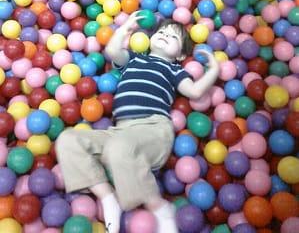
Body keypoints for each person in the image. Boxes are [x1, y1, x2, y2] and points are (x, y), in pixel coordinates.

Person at [56, 12, 219, 233]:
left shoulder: (174, 69)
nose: (164, 36)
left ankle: (159, 207)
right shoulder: (135, 58)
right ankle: (108, 198)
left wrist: (213, 71)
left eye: (172, 37)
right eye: (162, 32)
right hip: (118, 131)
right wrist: (125, 28)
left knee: (119, 148)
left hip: (152, 130)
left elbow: (195, 91)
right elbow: (113, 51)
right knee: (68, 140)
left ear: (180, 56)